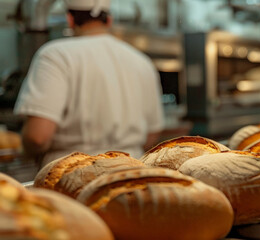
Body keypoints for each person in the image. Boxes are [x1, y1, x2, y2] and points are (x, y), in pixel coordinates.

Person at [14, 0, 164, 167]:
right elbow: (152, 134)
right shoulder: (142, 61)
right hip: (131, 171)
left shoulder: (54, 55)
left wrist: (26, 151)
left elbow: (38, 137)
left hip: (69, 174)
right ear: (109, 20)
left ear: (70, 19)